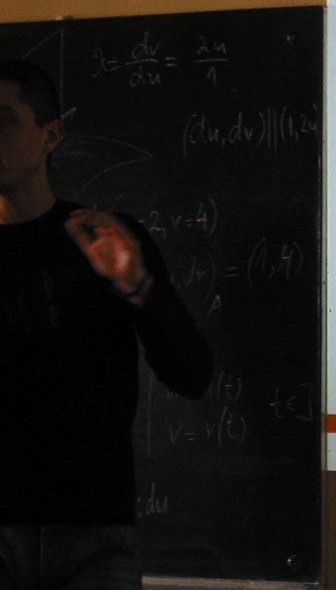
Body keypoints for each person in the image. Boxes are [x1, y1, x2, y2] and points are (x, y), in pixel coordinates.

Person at [0, 59, 213, 589]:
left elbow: (191, 375)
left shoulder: (104, 240)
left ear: (51, 135)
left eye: (4, 120)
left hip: (93, 532)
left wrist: (138, 287)